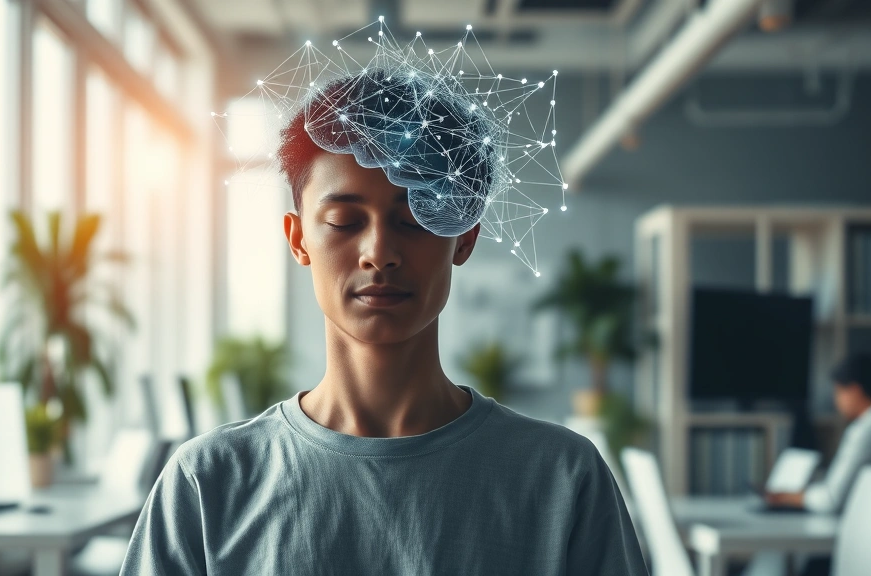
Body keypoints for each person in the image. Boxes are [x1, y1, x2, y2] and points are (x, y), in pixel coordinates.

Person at [119, 70, 648, 575]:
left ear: (464, 236)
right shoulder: (206, 484)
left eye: (416, 216)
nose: (379, 252)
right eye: (345, 222)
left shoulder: (562, 478)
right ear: (298, 238)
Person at [765, 352, 871, 513]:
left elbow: (832, 499)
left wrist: (788, 497)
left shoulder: (868, 428)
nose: (836, 400)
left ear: (855, 391)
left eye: (838, 392)